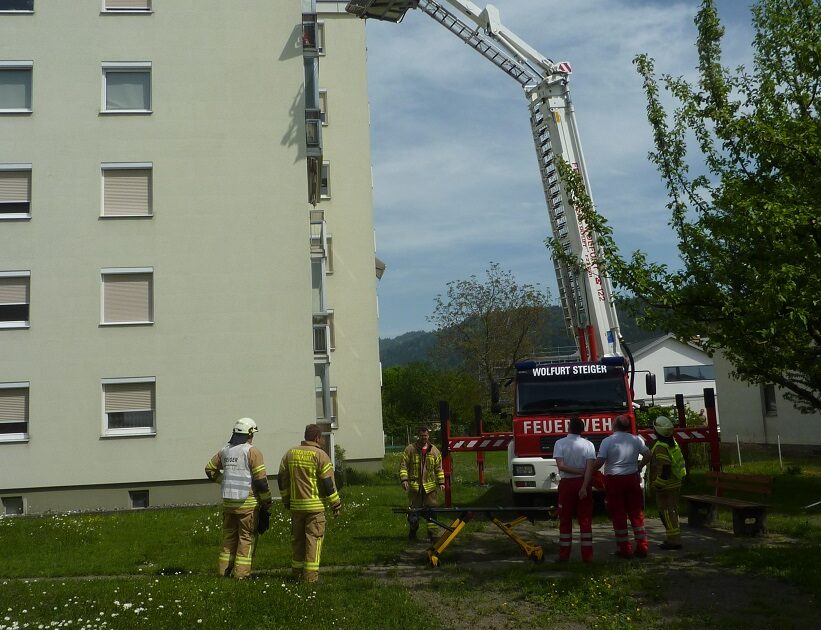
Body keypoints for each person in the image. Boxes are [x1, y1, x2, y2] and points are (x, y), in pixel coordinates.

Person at [204, 417, 272, 579]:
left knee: (228, 538)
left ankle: (223, 572)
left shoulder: (225, 451)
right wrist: (267, 501)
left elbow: (209, 469)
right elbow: (261, 481)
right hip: (247, 505)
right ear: (250, 434)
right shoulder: (252, 451)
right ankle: (241, 575)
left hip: (229, 505)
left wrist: (224, 481)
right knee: (245, 539)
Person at [278, 424, 342, 583]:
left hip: (296, 507)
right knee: (313, 541)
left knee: (298, 541)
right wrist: (336, 504)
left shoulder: (290, 454)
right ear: (318, 438)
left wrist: (286, 500)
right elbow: (328, 483)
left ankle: (296, 574)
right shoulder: (320, 455)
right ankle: (310, 579)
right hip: (315, 508)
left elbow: (281, 479)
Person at [595, 415, 650, 559]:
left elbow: (600, 461)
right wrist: (639, 466)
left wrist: (588, 470)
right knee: (636, 513)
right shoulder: (636, 439)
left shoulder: (608, 441)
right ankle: (643, 546)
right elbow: (648, 455)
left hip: (614, 480)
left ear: (615, 426)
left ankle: (624, 548)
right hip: (632, 478)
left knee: (618, 514)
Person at [553, 417, 596, 562]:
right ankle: (588, 556)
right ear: (582, 429)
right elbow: (590, 469)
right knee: (585, 520)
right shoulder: (589, 445)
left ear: (569, 427)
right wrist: (584, 485)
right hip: (584, 484)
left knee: (565, 519)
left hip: (566, 484)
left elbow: (561, 466)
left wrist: (577, 472)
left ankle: (564, 555)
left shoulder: (559, 443)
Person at [399, 426, 445, 541]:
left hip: (430, 489)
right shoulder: (410, 449)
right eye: (421, 436)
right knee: (413, 513)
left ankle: (432, 535)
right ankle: (413, 533)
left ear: (428, 436)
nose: (423, 438)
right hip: (415, 488)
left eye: (425, 436)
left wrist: (441, 482)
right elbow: (403, 465)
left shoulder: (434, 451)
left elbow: (439, 468)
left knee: (432, 512)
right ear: (418, 436)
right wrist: (404, 479)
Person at [649, 416, 686, 550]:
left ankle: (674, 541)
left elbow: (665, 466)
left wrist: (658, 484)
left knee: (666, 513)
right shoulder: (672, 443)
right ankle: (674, 538)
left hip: (666, 486)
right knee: (672, 512)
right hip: (675, 483)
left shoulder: (660, 446)